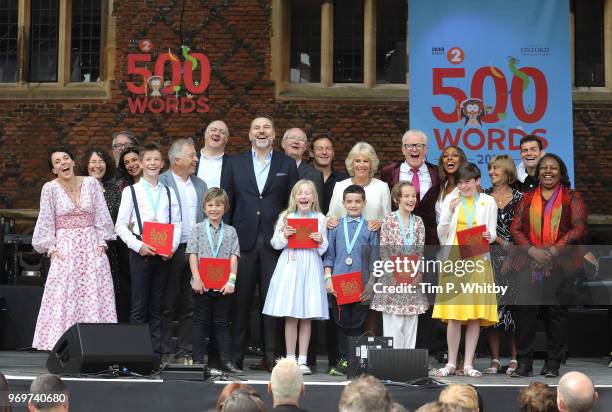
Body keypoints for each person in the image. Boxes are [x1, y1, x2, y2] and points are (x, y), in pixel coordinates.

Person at [224, 116, 299, 372]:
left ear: (274, 134)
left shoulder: (287, 164)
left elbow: (293, 206)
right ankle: (235, 357)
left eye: (266, 127)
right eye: (256, 127)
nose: (261, 131)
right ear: (249, 134)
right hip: (241, 242)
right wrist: (224, 243)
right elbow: (227, 203)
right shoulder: (234, 163)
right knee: (240, 302)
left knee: (272, 302)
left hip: (274, 244)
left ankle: (271, 357)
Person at [509, 154, 588, 378]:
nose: (548, 171)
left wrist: (553, 250)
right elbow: (516, 229)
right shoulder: (526, 197)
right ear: (537, 172)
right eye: (544, 168)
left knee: (556, 315)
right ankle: (524, 364)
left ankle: (552, 364)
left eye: (553, 168)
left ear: (561, 172)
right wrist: (533, 251)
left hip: (561, 265)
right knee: (525, 314)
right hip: (529, 264)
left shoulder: (572, 197)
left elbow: (579, 228)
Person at [32, 147, 117, 350]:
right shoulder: (50, 188)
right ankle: (65, 346)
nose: (63, 163)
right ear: (54, 169)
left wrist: (101, 243)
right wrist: (51, 249)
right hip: (65, 250)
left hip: (91, 248)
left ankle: (97, 344)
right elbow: (45, 221)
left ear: (72, 162)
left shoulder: (91, 184)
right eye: (58, 161)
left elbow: (101, 216)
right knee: (65, 296)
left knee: (94, 295)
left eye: (66, 158)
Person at [115, 143, 182, 360]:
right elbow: (120, 226)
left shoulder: (169, 192)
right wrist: (138, 246)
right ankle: (136, 354)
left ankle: (154, 354)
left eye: (156, 160)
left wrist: (171, 249)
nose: (152, 163)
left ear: (162, 164)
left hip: (163, 256)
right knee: (138, 306)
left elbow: (177, 223)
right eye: (148, 160)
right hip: (140, 253)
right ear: (141, 164)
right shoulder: (131, 191)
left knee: (157, 306)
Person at [433, 163, 498, 378]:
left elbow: (492, 231)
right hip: (454, 258)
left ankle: (468, 363)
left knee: (474, 315)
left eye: (468, 182)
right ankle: (452, 362)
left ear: (478, 181)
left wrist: (491, 237)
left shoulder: (488, 201)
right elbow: (442, 233)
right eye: (460, 182)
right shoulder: (452, 199)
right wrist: (449, 212)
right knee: (453, 314)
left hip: (478, 258)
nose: (464, 186)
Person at [263, 180, 329, 375]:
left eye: (308, 193)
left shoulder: (320, 218)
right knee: (291, 314)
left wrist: (320, 240)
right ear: (294, 197)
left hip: (310, 265)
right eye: (300, 193)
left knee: (307, 314)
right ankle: (290, 359)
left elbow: (325, 248)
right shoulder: (286, 216)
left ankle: (303, 360)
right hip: (291, 266)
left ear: (314, 197)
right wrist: (284, 234)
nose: (304, 196)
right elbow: (275, 243)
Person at [159, 138, 208, 365]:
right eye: (192, 155)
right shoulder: (161, 182)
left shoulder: (200, 185)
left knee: (191, 303)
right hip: (170, 250)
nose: (196, 159)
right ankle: (166, 351)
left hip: (194, 251)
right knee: (167, 302)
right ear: (177, 160)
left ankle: (185, 350)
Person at [323, 185, 379, 376]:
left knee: (358, 325)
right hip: (338, 285)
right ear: (343, 203)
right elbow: (329, 256)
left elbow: (375, 260)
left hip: (362, 285)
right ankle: (343, 361)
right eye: (349, 201)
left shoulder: (370, 228)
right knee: (340, 324)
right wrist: (328, 279)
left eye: (357, 201)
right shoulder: (335, 227)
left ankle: (356, 363)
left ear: (364, 203)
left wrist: (371, 285)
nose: (353, 205)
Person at [187, 187, 242, 374]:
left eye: (218, 205)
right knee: (199, 321)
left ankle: (226, 361)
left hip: (223, 286)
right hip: (201, 284)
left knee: (222, 322)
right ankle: (197, 361)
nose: (214, 209)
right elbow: (192, 254)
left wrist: (231, 281)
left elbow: (234, 257)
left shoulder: (231, 231)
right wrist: (196, 278)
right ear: (204, 208)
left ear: (225, 207)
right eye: (210, 205)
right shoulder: (197, 229)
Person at [370, 182, 429, 349]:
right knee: (393, 323)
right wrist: (390, 275)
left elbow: (420, 250)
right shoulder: (388, 220)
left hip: (412, 277)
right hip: (392, 278)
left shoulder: (418, 221)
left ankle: (408, 363)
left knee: (411, 322)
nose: (411, 199)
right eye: (407, 196)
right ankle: (393, 364)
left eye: (413, 196)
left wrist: (419, 274)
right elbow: (384, 250)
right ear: (397, 199)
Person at [482, 155, 522, 375]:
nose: (491, 172)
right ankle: (495, 359)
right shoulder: (483, 196)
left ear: (507, 171)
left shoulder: (520, 198)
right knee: (492, 311)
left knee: (513, 311)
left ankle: (515, 358)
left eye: (495, 168)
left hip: (515, 259)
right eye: (490, 169)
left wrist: (500, 242)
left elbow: (523, 233)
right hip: (487, 260)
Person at [79, 146, 127, 319]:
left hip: (110, 252)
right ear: (85, 165)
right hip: (83, 250)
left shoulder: (114, 191)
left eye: (101, 162)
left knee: (107, 294)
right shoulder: (78, 189)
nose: (97, 166)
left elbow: (122, 220)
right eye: (93, 162)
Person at [381, 129, 440, 245]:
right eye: (409, 146)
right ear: (403, 149)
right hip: (398, 237)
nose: (414, 149)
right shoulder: (389, 172)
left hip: (431, 237)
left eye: (419, 145)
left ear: (426, 150)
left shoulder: (437, 173)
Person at [327, 142, 391, 232]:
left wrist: (381, 224)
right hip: (344, 241)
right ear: (352, 164)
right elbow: (330, 216)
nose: (361, 165)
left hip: (371, 242)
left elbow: (389, 221)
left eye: (366, 161)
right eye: (357, 161)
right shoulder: (339, 186)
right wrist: (329, 221)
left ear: (371, 164)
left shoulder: (382, 187)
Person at [281, 128, 325, 204]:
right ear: (283, 144)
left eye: (301, 139)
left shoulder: (315, 175)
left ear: (305, 147)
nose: (296, 141)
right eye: (292, 138)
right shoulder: (272, 169)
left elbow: (317, 208)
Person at [311, 135, 348, 215]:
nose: (324, 152)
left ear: (333, 153)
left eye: (328, 149)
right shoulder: (303, 178)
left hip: (336, 226)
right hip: (308, 226)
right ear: (312, 153)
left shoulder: (344, 180)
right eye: (319, 149)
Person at [434, 146, 468, 223]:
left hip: (464, 234)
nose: (449, 158)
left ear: (461, 161)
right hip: (441, 234)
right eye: (445, 156)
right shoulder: (439, 187)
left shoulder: (470, 187)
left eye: (455, 155)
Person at [196, 120, 231, 189]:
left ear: (226, 139)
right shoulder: (191, 159)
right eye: (213, 130)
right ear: (205, 134)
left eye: (222, 132)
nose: (217, 134)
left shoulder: (233, 164)